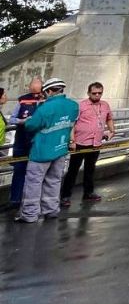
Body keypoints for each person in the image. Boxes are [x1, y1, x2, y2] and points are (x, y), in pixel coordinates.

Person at [14, 78, 79, 223]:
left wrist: (28, 120)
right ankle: (51, 210)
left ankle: (29, 214)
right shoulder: (73, 105)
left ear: (49, 91)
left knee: (34, 183)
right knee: (54, 181)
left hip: (41, 151)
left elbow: (31, 125)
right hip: (60, 149)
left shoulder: (45, 108)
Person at [60, 82, 115, 207]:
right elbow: (72, 123)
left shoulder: (105, 105)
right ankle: (65, 196)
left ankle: (88, 193)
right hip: (80, 142)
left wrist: (112, 131)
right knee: (73, 170)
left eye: (99, 93)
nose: (97, 95)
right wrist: (72, 141)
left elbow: (109, 118)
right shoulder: (80, 106)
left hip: (96, 142)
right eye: (94, 93)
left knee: (90, 169)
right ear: (88, 93)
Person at [8, 78, 44, 208]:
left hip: (38, 142)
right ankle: (15, 200)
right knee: (19, 171)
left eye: (37, 86)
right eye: (32, 86)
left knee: (36, 173)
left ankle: (32, 202)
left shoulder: (46, 101)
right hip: (22, 142)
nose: (34, 89)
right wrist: (22, 121)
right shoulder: (22, 100)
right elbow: (12, 119)